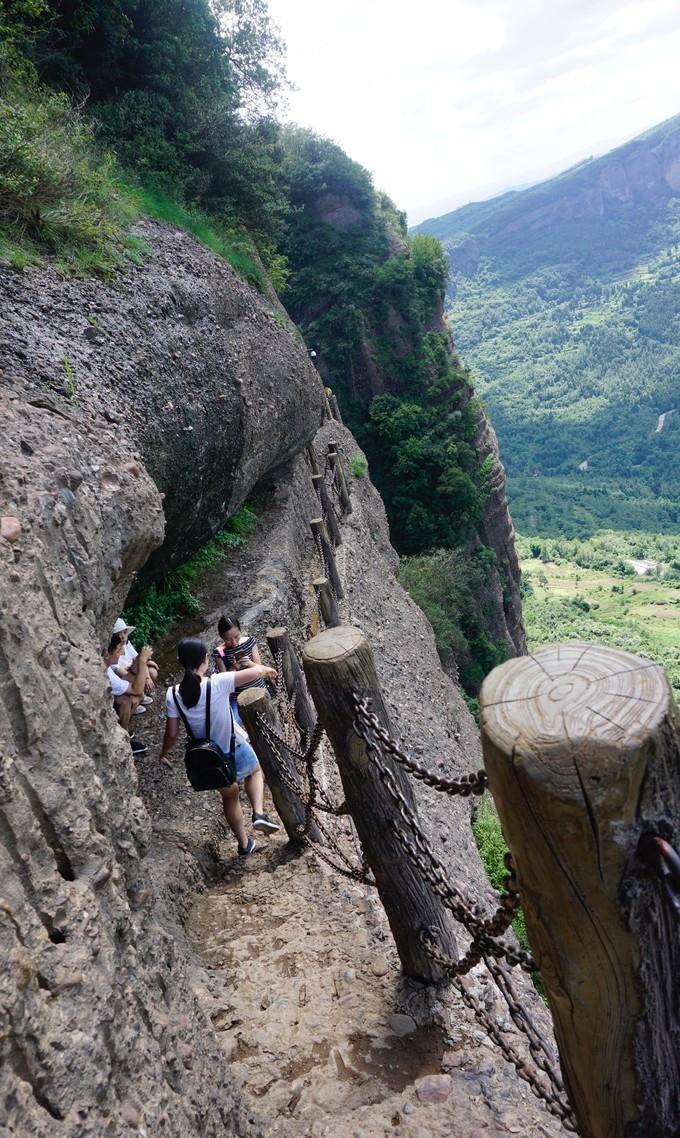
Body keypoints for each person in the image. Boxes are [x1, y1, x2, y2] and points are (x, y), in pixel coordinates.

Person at [159, 637, 280, 856]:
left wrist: (164, 753)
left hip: (209, 760)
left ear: (179, 661)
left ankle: (244, 844)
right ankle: (258, 813)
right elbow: (255, 673)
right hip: (234, 748)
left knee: (230, 797)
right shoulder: (218, 682)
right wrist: (264, 668)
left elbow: (172, 733)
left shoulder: (172, 695)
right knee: (254, 771)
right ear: (206, 661)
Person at [103, 632, 152, 755]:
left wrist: (138, 661)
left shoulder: (107, 667)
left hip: (108, 703)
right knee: (127, 701)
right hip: (105, 712)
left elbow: (128, 682)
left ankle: (124, 732)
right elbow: (136, 690)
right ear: (107, 654)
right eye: (119, 650)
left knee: (134, 698)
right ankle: (124, 740)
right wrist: (142, 661)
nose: (122, 654)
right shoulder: (107, 673)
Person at [213, 614, 267, 724]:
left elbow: (261, 670)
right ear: (222, 637)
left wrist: (249, 663)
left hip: (258, 690)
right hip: (237, 697)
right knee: (232, 724)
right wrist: (234, 667)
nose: (233, 642)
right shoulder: (220, 653)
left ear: (240, 630)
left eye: (236, 636)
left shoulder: (250, 642)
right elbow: (224, 681)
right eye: (228, 640)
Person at [112, 618, 158, 704]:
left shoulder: (127, 644)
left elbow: (138, 659)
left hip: (133, 671)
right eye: (119, 634)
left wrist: (147, 677)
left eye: (125, 632)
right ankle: (137, 696)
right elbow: (123, 673)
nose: (123, 636)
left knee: (152, 672)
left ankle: (143, 692)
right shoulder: (112, 652)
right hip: (126, 677)